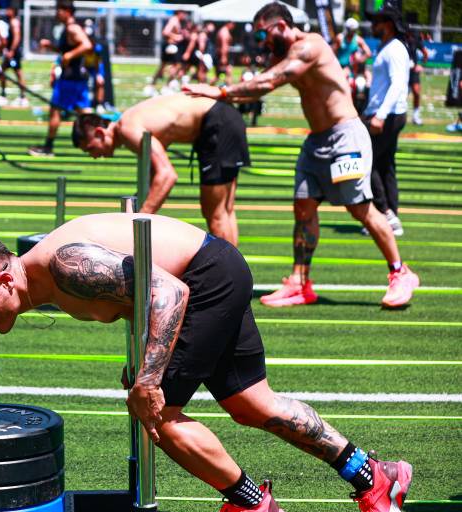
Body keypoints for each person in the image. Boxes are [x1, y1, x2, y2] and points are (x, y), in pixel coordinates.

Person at [0, 214, 413, 512]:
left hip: (203, 280)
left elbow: (168, 291)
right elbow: (134, 290)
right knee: (251, 403)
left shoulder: (64, 265)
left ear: (3, 279)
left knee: (154, 409)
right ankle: (373, 476)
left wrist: (147, 378)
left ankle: (253, 508)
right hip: (215, 268)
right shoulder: (34, 279)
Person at [182, 2, 419, 309]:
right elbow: (262, 83)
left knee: (359, 208)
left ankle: (400, 272)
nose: (262, 42)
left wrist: (222, 92)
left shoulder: (311, 46)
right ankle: (300, 283)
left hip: (345, 137)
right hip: (316, 141)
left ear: (281, 25)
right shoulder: (285, 54)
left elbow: (269, 81)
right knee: (303, 208)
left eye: (263, 34)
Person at [72, 94, 249, 246]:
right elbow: (152, 181)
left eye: (90, 149)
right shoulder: (129, 124)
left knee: (215, 213)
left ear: (100, 133)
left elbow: (167, 175)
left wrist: (137, 223)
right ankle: (237, 280)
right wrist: (130, 212)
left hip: (217, 122)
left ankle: (230, 279)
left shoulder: (127, 129)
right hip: (222, 118)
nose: (93, 156)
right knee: (225, 210)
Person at [363, 5, 410, 238]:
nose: (373, 25)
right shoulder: (387, 47)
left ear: (388, 24)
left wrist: (380, 114)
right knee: (385, 166)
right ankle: (392, 216)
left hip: (388, 115)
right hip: (387, 113)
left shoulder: (395, 49)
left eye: (377, 21)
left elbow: (398, 84)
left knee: (365, 163)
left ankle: (385, 214)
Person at [27, 0, 92, 158]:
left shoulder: (72, 28)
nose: (56, 13)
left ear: (67, 11)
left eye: (59, 10)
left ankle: (48, 147)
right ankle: (102, 138)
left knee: (55, 111)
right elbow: (67, 50)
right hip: (76, 78)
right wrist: (52, 47)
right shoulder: (69, 28)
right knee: (84, 112)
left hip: (69, 79)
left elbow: (87, 45)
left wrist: (70, 55)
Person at [148, 10, 187, 94]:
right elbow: (165, 32)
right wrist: (176, 36)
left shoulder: (176, 20)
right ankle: (165, 86)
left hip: (169, 47)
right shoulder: (174, 20)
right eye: (183, 13)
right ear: (179, 13)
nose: (184, 15)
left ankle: (152, 85)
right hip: (171, 47)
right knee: (176, 66)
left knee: (164, 67)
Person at [0, 6, 28, 107]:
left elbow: (17, 37)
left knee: (18, 74)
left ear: (13, 11)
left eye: (9, 10)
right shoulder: (10, 21)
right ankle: (3, 95)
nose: (7, 11)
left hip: (13, 53)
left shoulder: (14, 22)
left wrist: (11, 51)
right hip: (10, 52)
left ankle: (23, 97)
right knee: (2, 71)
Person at [405, 29, 429, 125]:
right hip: (403, 72)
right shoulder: (400, 41)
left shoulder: (416, 41)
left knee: (416, 92)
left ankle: (416, 117)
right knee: (402, 95)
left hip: (413, 71)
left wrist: (421, 65)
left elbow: (425, 54)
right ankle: (399, 116)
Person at [212, 21, 235, 86]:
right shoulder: (224, 32)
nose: (233, 26)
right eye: (233, 24)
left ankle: (208, 87)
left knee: (218, 76)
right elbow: (224, 45)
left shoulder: (223, 31)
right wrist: (223, 57)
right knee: (228, 72)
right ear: (229, 23)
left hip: (221, 55)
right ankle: (230, 91)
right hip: (222, 55)